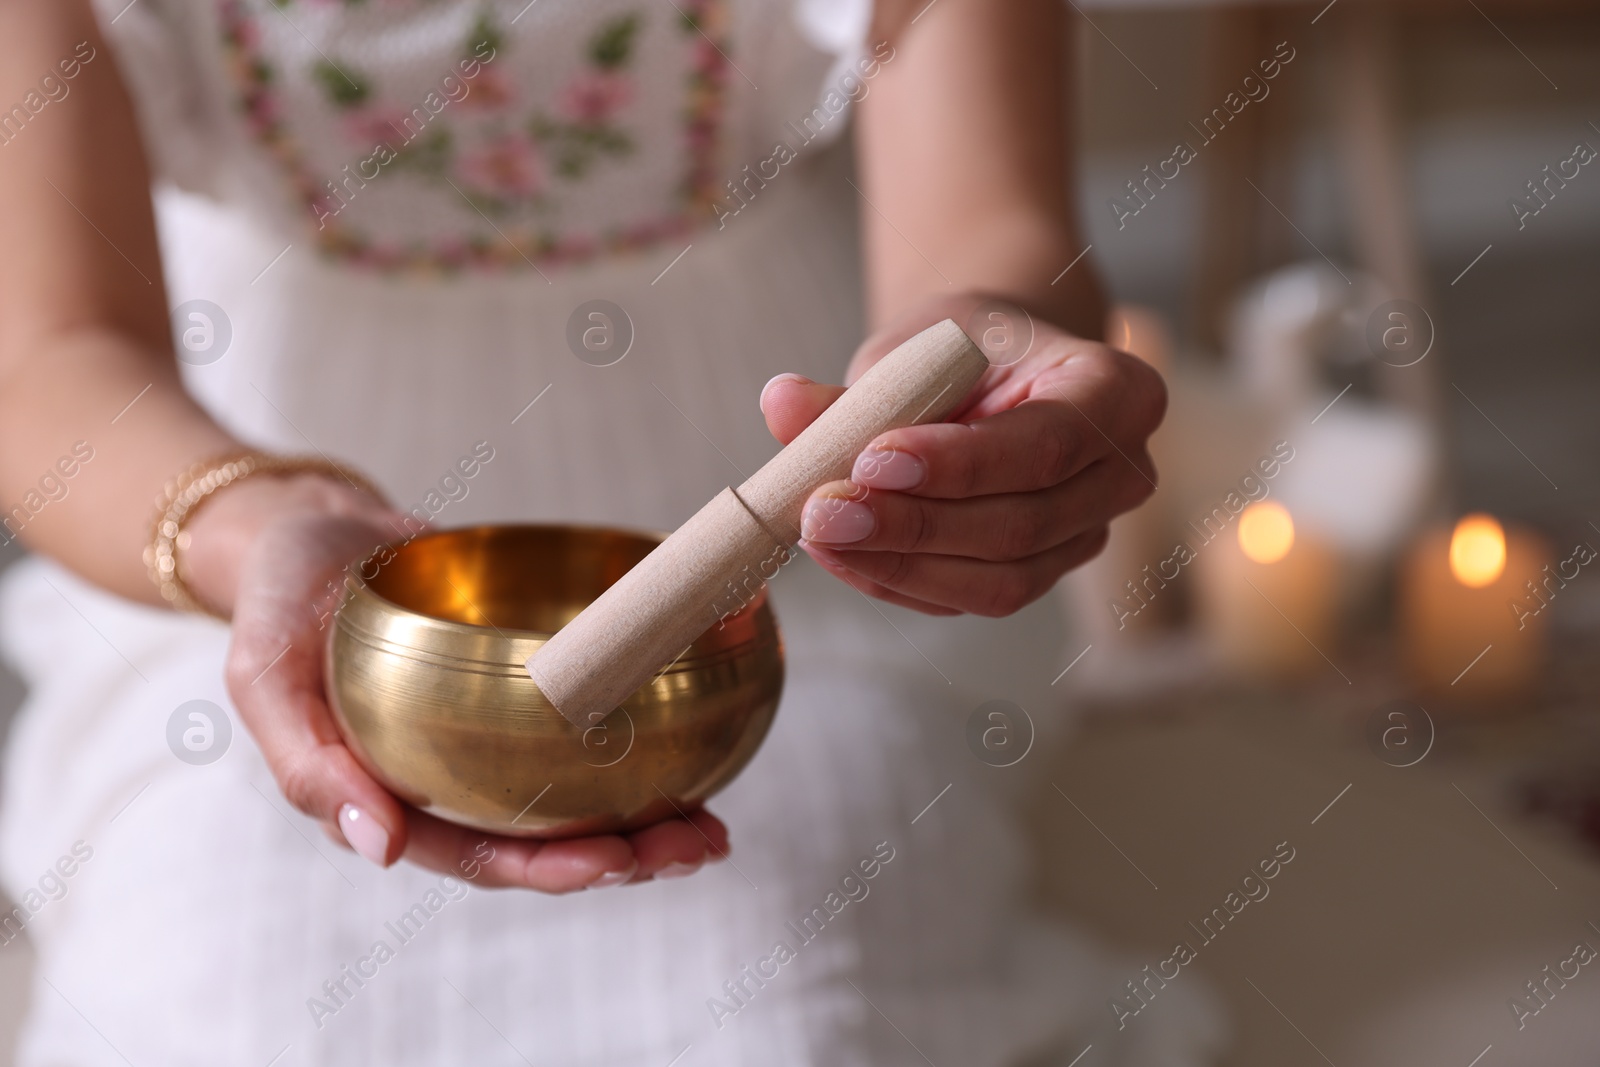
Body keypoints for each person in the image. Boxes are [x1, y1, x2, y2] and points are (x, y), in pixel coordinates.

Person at [0, 0, 1221, 1062]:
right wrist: (256, 525)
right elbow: (47, 354)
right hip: (229, 553)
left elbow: (988, 236)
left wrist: (986, 357)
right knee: (234, 1013)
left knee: (795, 1023)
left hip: (810, 587)